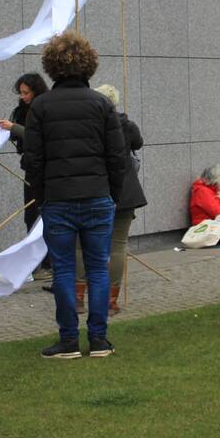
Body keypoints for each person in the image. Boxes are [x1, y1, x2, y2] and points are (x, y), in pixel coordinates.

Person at [24, 30, 128, 358]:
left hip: (58, 199)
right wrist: (110, 192)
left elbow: (34, 160)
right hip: (97, 197)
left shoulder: (40, 107)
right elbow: (117, 157)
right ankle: (99, 339)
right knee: (98, 267)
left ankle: (68, 339)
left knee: (65, 270)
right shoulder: (101, 105)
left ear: (51, 66)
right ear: (89, 65)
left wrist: (41, 197)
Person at [75, 84, 147, 316]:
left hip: (93, 189)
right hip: (124, 192)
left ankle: (78, 298)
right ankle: (110, 301)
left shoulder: (85, 125)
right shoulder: (125, 124)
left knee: (81, 243)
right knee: (117, 246)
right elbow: (137, 143)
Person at [0, 72, 50, 277]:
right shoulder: (23, 110)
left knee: (46, 216)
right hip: (30, 168)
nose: (23, 97)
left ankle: (49, 262)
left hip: (45, 171)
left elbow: (39, 137)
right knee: (31, 215)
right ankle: (35, 261)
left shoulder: (45, 108)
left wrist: (15, 128)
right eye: (21, 93)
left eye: (26, 93)